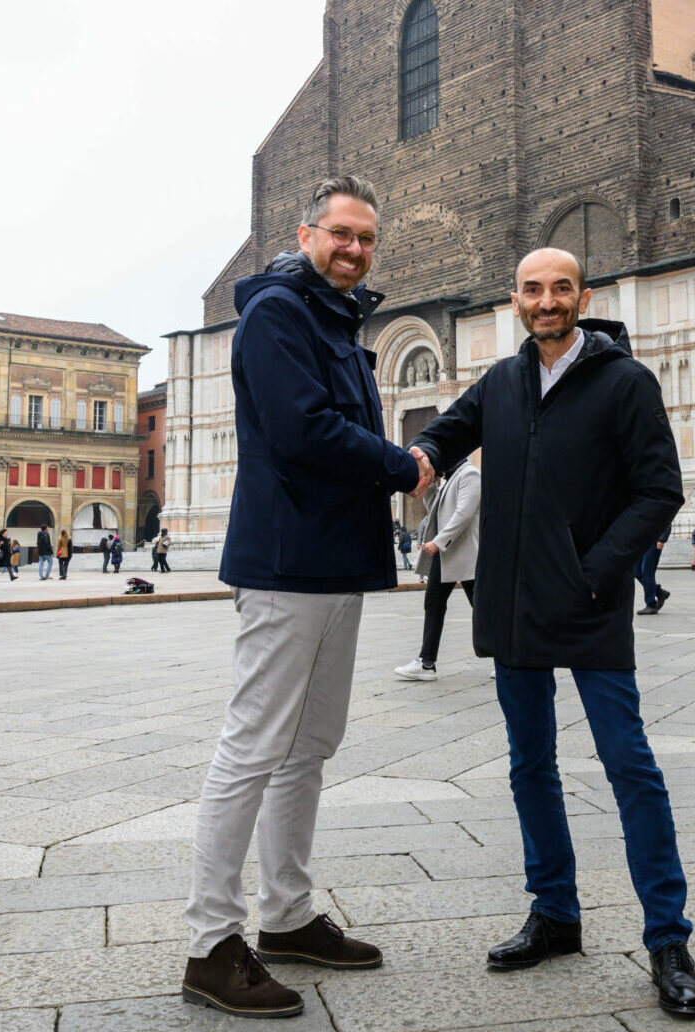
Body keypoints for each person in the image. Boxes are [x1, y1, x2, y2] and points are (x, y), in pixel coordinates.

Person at [408, 247, 695, 1017]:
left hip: (589, 600)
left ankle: (667, 938)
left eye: (561, 288)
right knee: (528, 765)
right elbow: (445, 434)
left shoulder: (626, 382)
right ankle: (554, 914)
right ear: (515, 300)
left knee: (629, 765)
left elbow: (659, 490)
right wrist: (416, 457)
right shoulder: (502, 382)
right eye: (533, 290)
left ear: (584, 296)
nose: (547, 301)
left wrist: (597, 570)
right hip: (514, 606)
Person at [183, 176, 425, 1020]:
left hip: (337, 562)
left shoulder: (338, 321)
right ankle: (211, 944)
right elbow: (302, 430)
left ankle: (285, 915)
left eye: (366, 238)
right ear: (307, 232)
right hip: (287, 562)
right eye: (341, 234)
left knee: (311, 743)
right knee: (253, 747)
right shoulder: (278, 313)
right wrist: (405, 464)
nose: (355, 249)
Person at [395, 453, 482, 681]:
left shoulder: (470, 474)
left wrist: (439, 541)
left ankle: (505, 657)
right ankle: (426, 663)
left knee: (482, 609)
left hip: (465, 556)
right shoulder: (448, 479)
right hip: (446, 558)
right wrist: (431, 485)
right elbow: (435, 509)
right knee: (433, 603)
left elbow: (464, 512)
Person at [635, 523, 672, 616]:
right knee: (636, 571)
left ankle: (651, 604)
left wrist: (661, 539)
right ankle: (660, 592)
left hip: (654, 541)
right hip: (642, 542)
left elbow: (667, 519)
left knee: (647, 572)